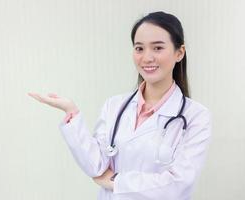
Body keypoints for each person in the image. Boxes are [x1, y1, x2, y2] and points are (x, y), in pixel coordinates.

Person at [28, 11, 211, 200]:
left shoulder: (195, 116)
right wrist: (72, 112)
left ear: (179, 53)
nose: (147, 58)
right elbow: (96, 166)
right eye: (139, 48)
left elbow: (178, 184)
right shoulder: (114, 106)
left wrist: (116, 181)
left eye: (157, 48)